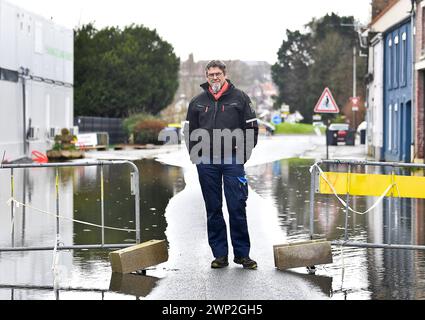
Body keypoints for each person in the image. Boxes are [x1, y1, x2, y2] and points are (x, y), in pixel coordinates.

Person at [185, 60, 259, 269]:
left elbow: (252, 128)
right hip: (206, 162)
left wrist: (243, 155)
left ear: (225, 74)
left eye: (218, 74)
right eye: (211, 75)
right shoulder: (197, 101)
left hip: (232, 161)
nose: (214, 78)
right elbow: (189, 132)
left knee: (237, 206)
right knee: (213, 209)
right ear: (206, 76)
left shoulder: (240, 98)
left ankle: (242, 255)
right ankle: (220, 255)